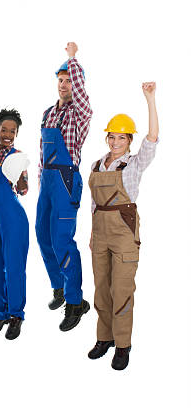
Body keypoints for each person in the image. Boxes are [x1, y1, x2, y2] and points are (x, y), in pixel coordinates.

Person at [87, 82, 158, 371]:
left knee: (122, 289)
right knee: (101, 290)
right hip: (100, 232)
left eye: (121, 138)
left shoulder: (134, 164)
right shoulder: (95, 165)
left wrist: (150, 99)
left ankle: (123, 345)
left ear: (129, 140)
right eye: (112, 137)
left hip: (124, 233)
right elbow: (94, 203)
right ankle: (104, 339)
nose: (116, 142)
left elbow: (153, 138)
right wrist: (92, 233)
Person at [35, 42, 93, 331]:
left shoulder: (79, 113)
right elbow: (42, 153)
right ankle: (60, 287)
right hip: (47, 181)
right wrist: (36, 180)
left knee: (62, 240)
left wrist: (73, 59)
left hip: (67, 181)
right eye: (60, 80)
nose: (64, 84)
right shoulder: (48, 113)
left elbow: (81, 94)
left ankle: (75, 302)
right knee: (42, 234)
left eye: (69, 80)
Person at [0, 109, 29, 340]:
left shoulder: (18, 156)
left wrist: (19, 176)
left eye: (13, 131)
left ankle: (15, 316)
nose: (8, 134)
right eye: (4, 129)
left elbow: (24, 190)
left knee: (14, 266)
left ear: (17, 133)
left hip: (13, 218)